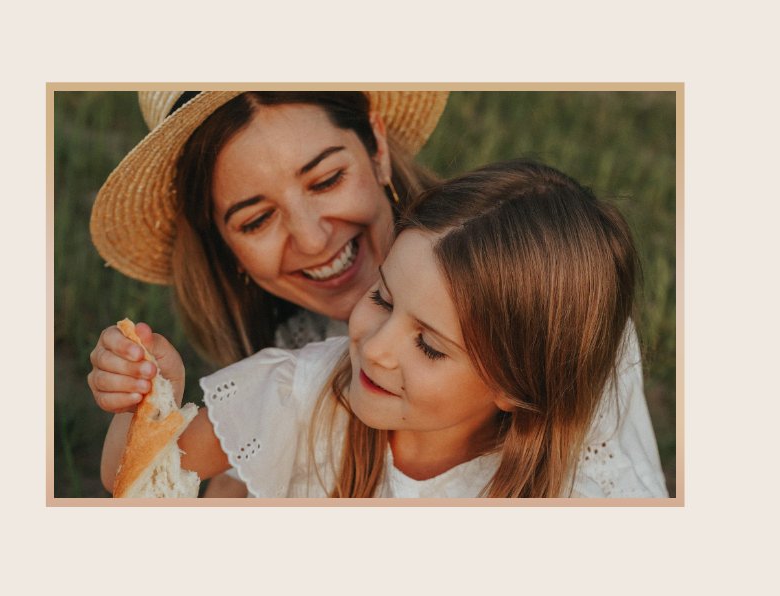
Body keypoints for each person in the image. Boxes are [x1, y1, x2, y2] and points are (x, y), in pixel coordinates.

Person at [97, 160, 669, 498]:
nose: (376, 347)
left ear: (515, 387)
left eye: (428, 345)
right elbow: (142, 480)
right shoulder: (299, 394)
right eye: (382, 297)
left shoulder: (567, 491)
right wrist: (146, 400)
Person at [88, 90, 447, 496]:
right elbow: (146, 477)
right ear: (225, 247)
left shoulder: (510, 286)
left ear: (377, 149)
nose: (312, 240)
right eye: (257, 220)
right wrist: (149, 400)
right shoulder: (287, 376)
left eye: (327, 180)